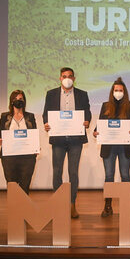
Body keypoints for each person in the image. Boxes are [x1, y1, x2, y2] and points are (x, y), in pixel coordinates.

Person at [42, 67, 91, 218]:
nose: (67, 78)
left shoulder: (82, 94)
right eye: (64, 76)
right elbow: (46, 114)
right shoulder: (51, 94)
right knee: (57, 172)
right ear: (60, 78)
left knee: (73, 172)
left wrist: (87, 121)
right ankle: (57, 205)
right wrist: (46, 123)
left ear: (74, 78)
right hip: (58, 139)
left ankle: (71, 204)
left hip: (76, 139)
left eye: (70, 76)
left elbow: (87, 112)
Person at [94, 77, 130, 217]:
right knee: (109, 176)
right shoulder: (106, 106)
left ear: (124, 92)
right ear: (112, 92)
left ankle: (127, 205)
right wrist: (96, 132)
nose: (118, 92)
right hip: (109, 147)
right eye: (116, 90)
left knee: (125, 175)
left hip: (125, 147)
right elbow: (100, 125)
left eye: (120, 90)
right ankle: (108, 205)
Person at [0, 89, 37, 194]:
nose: (18, 101)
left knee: (25, 186)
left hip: (27, 157)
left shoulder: (30, 116)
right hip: (9, 157)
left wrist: (35, 145)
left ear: (24, 101)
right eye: (15, 99)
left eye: (21, 99)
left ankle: (24, 209)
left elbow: (34, 134)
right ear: (11, 101)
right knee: (12, 186)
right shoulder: (5, 116)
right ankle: (14, 209)